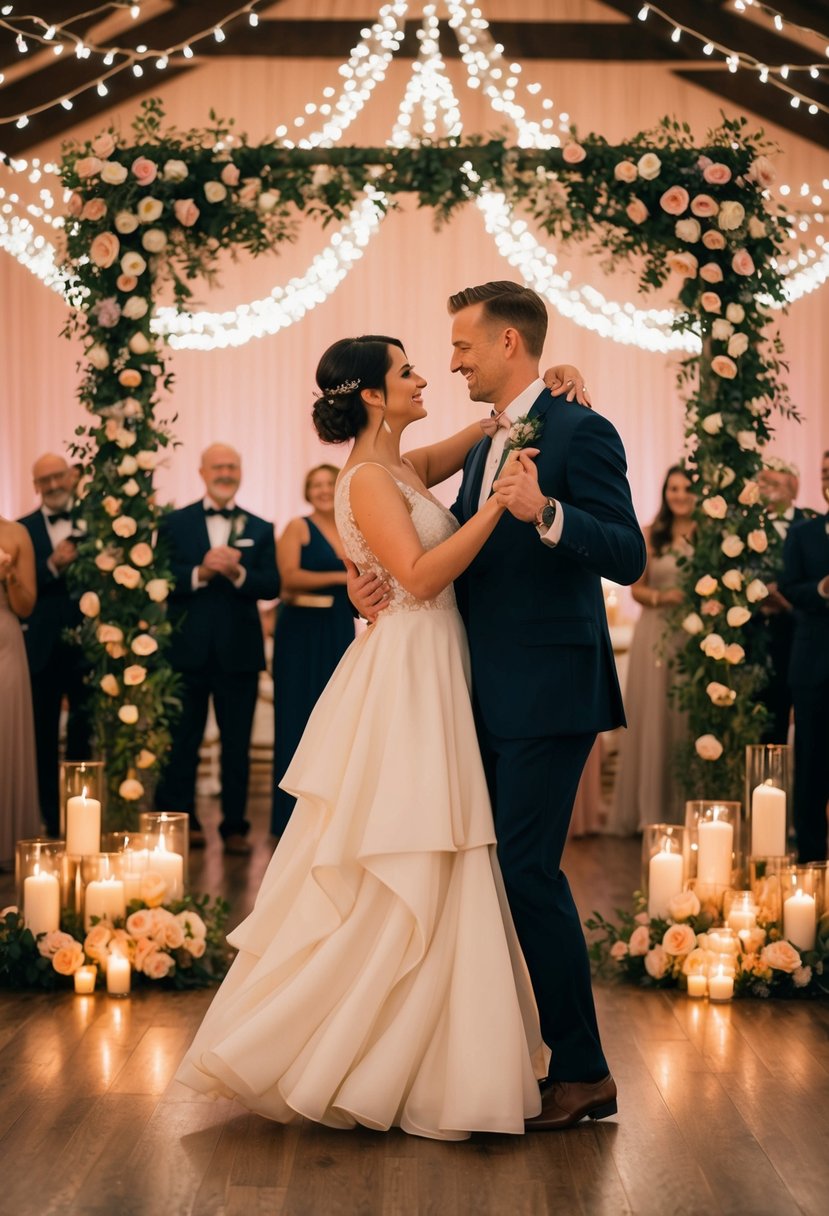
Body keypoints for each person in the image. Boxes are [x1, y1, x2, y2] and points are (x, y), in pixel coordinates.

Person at [177, 333, 578, 1139]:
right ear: (369, 393)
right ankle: (356, 1049)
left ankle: (433, 1049)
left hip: (435, 660)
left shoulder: (400, 464)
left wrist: (549, 383)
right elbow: (422, 577)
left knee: (442, 849)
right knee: (408, 847)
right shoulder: (364, 478)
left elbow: (488, 431)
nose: (425, 375)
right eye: (406, 371)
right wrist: (499, 504)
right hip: (409, 668)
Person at [351, 281, 646, 1130]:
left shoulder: (582, 429)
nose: (450, 362)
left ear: (508, 343)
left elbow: (624, 552)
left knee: (524, 870)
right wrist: (369, 586)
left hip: (549, 691)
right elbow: (435, 551)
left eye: (463, 348)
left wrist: (547, 512)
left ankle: (584, 1071)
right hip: (477, 689)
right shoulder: (493, 437)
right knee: (487, 872)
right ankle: (489, 1052)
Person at [154, 444, 280, 855]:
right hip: (185, 652)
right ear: (202, 471)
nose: (226, 472)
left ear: (240, 472)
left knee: (236, 745)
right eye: (219, 466)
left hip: (238, 653)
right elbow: (160, 578)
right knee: (182, 740)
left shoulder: (260, 527)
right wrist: (201, 572)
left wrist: (239, 571)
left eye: (233, 466)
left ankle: (235, 827)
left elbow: (272, 585)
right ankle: (181, 819)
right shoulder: (173, 523)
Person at [603, 465, 695, 834]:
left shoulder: (708, 536)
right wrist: (662, 597)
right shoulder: (650, 534)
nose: (680, 494)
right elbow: (636, 589)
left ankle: (685, 806)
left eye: (687, 488)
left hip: (694, 636)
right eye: (673, 488)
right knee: (655, 717)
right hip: (656, 632)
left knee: (685, 719)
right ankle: (651, 811)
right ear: (665, 493)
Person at [270, 464, 355, 837]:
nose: (322, 490)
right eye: (315, 485)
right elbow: (287, 579)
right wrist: (342, 577)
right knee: (297, 719)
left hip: (339, 627)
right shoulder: (297, 528)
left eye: (328, 483)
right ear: (307, 492)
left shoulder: (352, 525)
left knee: (337, 720)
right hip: (300, 631)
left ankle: (329, 816)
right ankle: (289, 818)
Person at [18, 453, 92, 837]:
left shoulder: (95, 521)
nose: (52, 485)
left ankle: (83, 816)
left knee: (84, 735)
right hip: (42, 650)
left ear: (70, 476)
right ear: (35, 486)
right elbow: (20, 589)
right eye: (43, 480)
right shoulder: (22, 529)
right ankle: (50, 819)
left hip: (88, 648)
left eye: (57, 476)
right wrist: (52, 565)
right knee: (42, 737)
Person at [779, 450, 829, 862]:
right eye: (825, 472)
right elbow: (789, 587)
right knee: (811, 764)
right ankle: (811, 858)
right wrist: (822, 590)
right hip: (814, 665)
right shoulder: (805, 534)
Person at [755, 460, 810, 744]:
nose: (765, 490)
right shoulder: (748, 525)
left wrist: (788, 600)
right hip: (762, 638)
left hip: (803, 634)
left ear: (793, 489)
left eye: (772, 484)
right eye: (761, 483)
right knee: (768, 723)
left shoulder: (811, 524)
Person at [0, 518, 39, 870]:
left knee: (5, 738)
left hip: (4, 643)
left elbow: (27, 605)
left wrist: (9, 575)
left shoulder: (15, 533)